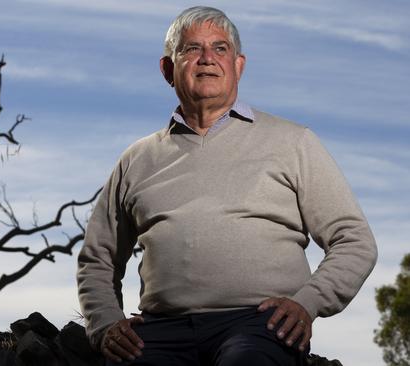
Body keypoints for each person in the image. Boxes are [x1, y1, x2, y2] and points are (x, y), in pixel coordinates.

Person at [76, 6, 377, 366]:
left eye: (220, 49)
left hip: (260, 325)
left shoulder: (293, 142)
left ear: (238, 66)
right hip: (159, 329)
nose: (207, 59)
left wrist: (307, 303)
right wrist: (106, 323)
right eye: (191, 49)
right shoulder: (137, 158)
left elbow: (354, 241)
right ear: (168, 70)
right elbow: (98, 258)